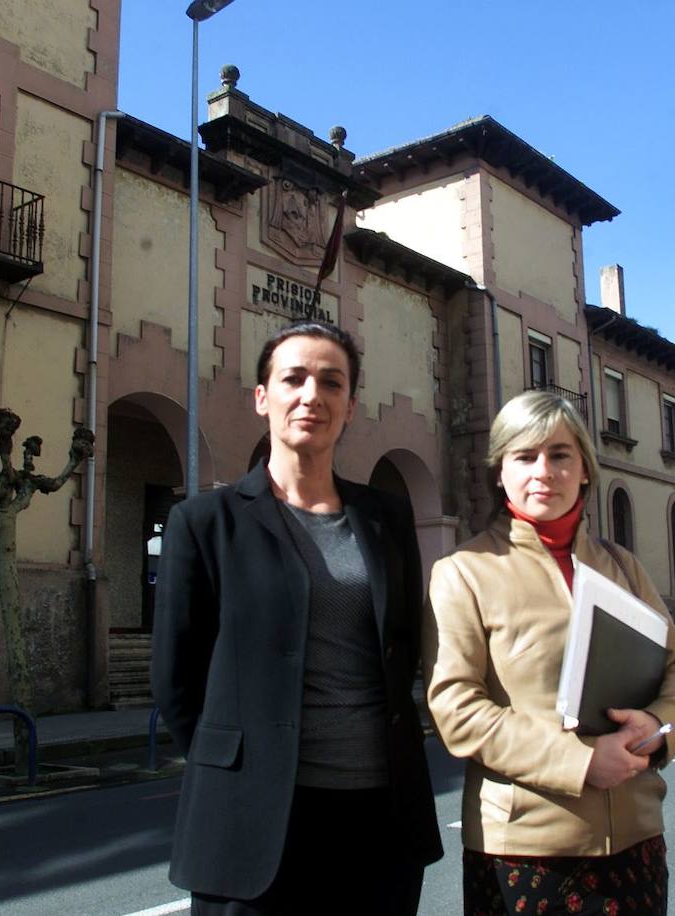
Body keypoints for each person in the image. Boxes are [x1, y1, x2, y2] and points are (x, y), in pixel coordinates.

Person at [151, 320, 442, 915]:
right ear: (263, 398)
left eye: (331, 383)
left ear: (350, 406)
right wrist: (240, 761)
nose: (312, 395)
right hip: (254, 819)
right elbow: (176, 679)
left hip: (379, 818)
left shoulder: (386, 516)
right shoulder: (208, 522)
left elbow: (402, 646)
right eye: (294, 379)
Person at [424, 390, 675, 916]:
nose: (543, 472)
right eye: (524, 456)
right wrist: (580, 763)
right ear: (500, 471)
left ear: (584, 471)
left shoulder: (622, 567)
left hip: (636, 841)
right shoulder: (464, 572)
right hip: (526, 854)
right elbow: (458, 710)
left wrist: (660, 726)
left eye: (559, 455)